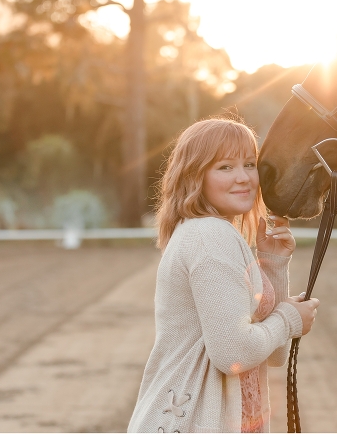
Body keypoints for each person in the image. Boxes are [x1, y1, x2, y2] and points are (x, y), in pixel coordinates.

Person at [127, 117, 319, 433]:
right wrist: (289, 320)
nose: (243, 177)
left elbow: (272, 354)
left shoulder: (209, 233)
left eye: (249, 164)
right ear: (194, 176)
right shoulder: (210, 236)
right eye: (225, 167)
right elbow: (234, 353)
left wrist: (272, 263)